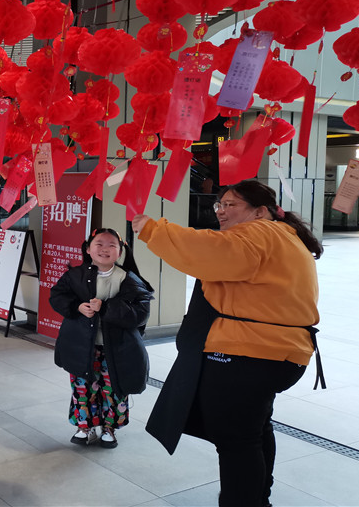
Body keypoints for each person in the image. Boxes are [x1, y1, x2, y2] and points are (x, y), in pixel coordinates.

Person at [131, 179, 324, 507]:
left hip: (248, 354)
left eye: (231, 205)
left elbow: (205, 249)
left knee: (237, 442)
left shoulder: (258, 233)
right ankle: (258, 499)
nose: (220, 211)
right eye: (219, 205)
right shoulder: (284, 236)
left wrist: (152, 229)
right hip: (280, 353)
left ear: (260, 211)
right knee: (253, 431)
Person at [50, 228, 154, 448]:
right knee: (83, 387)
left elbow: (141, 312)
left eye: (111, 245)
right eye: (99, 244)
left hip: (117, 348)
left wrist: (106, 308)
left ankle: (109, 428)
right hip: (81, 344)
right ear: (88, 249)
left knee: (114, 388)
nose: (105, 249)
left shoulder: (128, 278)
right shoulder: (74, 275)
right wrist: (76, 306)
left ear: (120, 252)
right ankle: (84, 427)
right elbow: (57, 296)